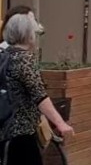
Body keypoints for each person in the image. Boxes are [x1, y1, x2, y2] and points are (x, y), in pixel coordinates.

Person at [0, 10, 74, 164]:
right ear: (28, 35)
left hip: (4, 129)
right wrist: (60, 123)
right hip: (21, 133)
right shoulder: (24, 59)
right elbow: (39, 95)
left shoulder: (4, 55)